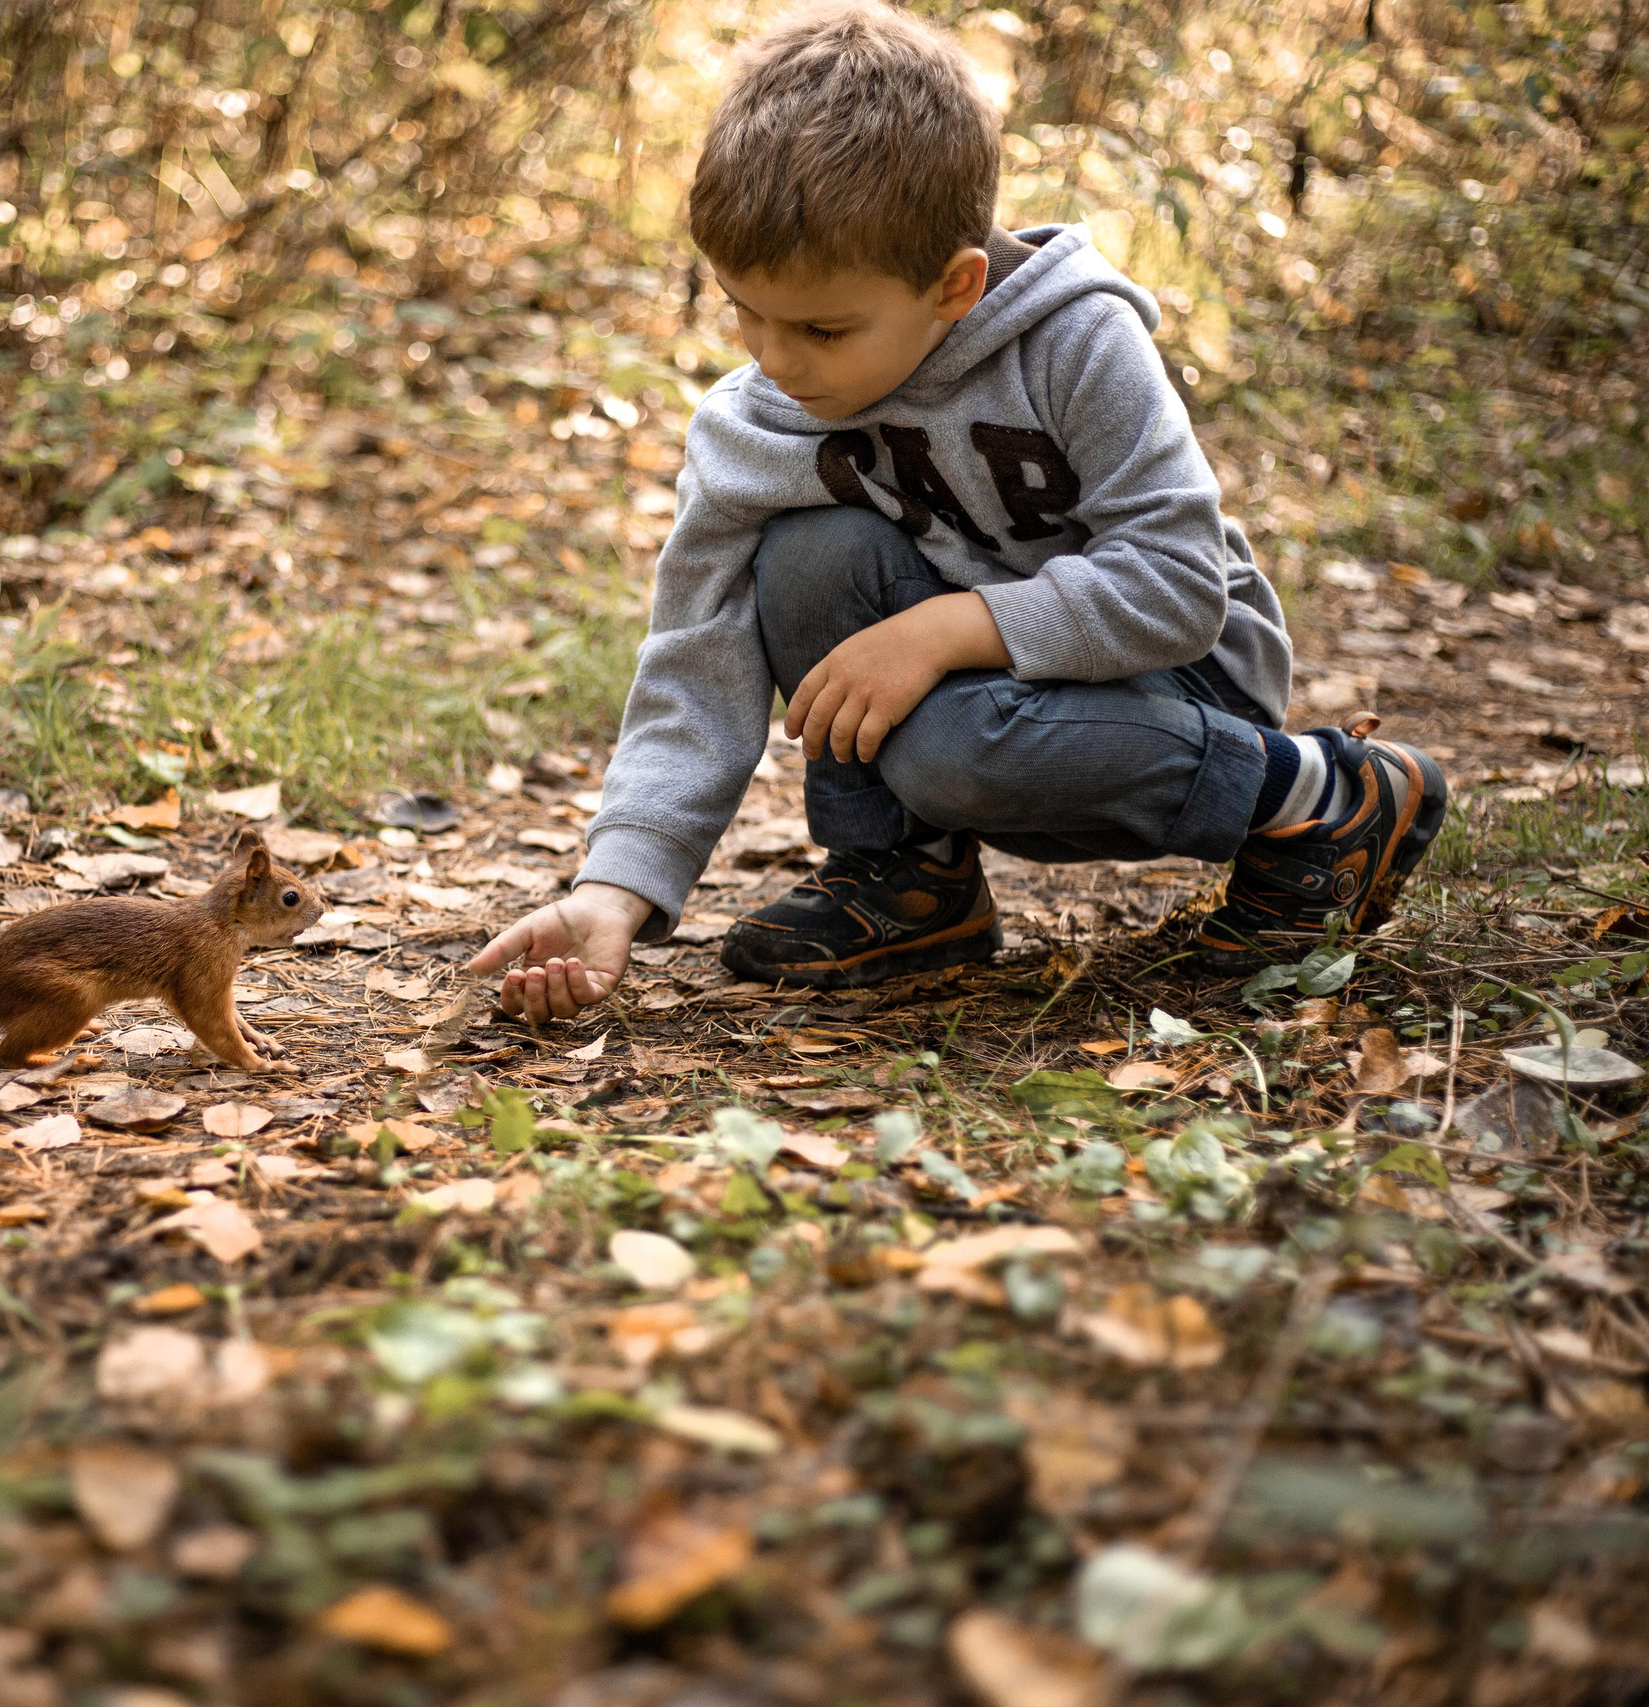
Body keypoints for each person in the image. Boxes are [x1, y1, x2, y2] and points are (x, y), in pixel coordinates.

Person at [470, 0, 1444, 1020]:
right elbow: (695, 655)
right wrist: (615, 886)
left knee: (946, 749)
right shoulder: (756, 423)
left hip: (1179, 684)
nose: (775, 359)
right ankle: (908, 880)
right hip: (973, 702)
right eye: (744, 311)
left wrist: (945, 630)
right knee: (807, 554)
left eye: (823, 329)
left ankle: (1324, 793)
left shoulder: (1075, 343)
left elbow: (1178, 586)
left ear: (954, 286)